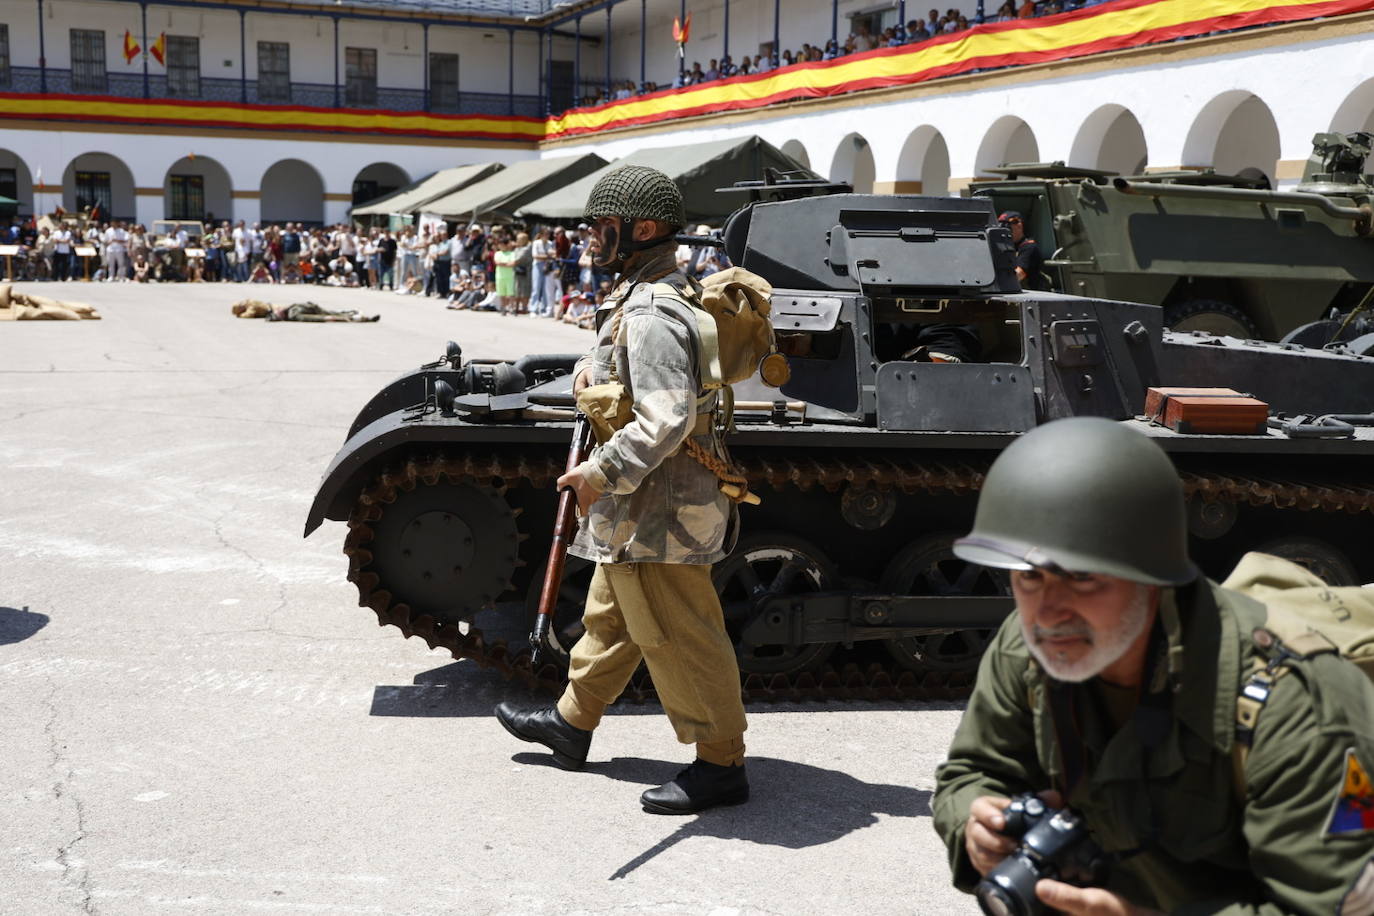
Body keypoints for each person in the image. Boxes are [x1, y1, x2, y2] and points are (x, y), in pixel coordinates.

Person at [932, 417, 1374, 915]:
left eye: (1081, 577)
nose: (1048, 612)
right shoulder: (1028, 650)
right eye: (1029, 576)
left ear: (1153, 578)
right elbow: (972, 772)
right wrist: (975, 822)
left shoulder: (1296, 710)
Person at [495, 165, 750, 815]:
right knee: (611, 617)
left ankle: (721, 763)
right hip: (644, 503)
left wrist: (596, 474)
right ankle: (571, 722)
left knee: (679, 631)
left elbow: (665, 418)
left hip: (661, 505)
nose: (589, 239)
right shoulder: (651, 292)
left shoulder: (656, 309)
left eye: (601, 227)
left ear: (642, 230)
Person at [997, 210, 1047, 291]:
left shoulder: (1029, 247)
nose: (1004, 231)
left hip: (1031, 296)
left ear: (1019, 226)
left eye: (1007, 227)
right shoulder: (1005, 247)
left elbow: (1018, 275)